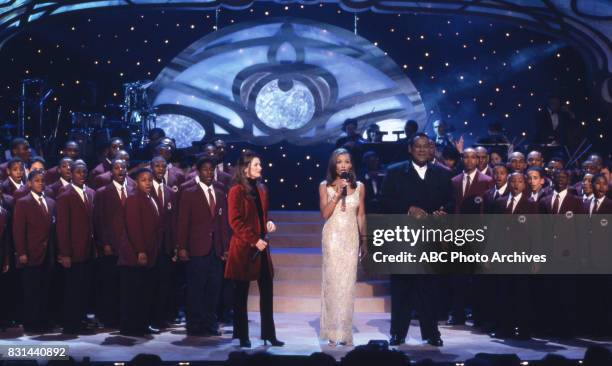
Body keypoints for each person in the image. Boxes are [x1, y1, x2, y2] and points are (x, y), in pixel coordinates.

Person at [381, 133, 451, 347]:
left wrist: (443, 212)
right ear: (410, 149)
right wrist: (407, 209)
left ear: (431, 149)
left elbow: (450, 200)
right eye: (417, 146)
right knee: (402, 287)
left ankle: (431, 333)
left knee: (429, 288)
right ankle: (398, 333)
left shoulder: (442, 174)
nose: (421, 150)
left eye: (425, 146)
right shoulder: (395, 172)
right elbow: (384, 202)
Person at [224, 150, 283, 348]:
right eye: (256, 165)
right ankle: (242, 335)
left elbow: (262, 215)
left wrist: (269, 223)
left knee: (267, 291)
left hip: (262, 249)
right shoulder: (236, 190)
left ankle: (269, 334)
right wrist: (254, 239)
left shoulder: (261, 189)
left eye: (260, 164)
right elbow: (235, 221)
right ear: (245, 167)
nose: (260, 168)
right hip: (244, 248)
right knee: (240, 295)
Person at [319, 148, 366, 346]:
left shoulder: (360, 186)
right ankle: (331, 332)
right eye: (339, 161)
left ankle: (345, 332)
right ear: (334, 165)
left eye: (347, 161)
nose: (343, 165)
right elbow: (325, 213)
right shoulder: (325, 185)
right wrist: (337, 194)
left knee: (347, 284)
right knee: (332, 283)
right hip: (332, 237)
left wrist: (364, 239)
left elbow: (361, 214)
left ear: (351, 165)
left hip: (351, 238)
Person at [177, 156, 229, 336]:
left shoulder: (221, 192)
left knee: (214, 289)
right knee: (196, 289)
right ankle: (194, 325)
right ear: (198, 171)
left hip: (216, 249)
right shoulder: (189, 192)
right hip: (196, 248)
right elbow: (183, 222)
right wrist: (182, 246)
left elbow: (223, 223)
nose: (209, 173)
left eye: (212, 170)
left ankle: (210, 324)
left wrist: (225, 247)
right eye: (205, 169)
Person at [118, 168, 163, 337]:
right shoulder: (133, 199)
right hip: (135, 255)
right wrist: (141, 251)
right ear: (136, 182)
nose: (148, 183)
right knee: (133, 293)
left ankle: (142, 324)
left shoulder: (151, 198)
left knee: (145, 292)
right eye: (144, 180)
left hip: (151, 253)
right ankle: (130, 326)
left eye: (150, 180)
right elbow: (134, 227)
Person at [12, 169, 56, 333]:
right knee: (31, 291)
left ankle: (44, 321)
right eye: (37, 180)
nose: (40, 183)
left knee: (46, 289)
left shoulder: (51, 202)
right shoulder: (23, 202)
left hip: (48, 254)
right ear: (29, 183)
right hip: (30, 253)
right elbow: (18, 230)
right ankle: (31, 323)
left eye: (42, 180)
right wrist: (22, 252)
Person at [56, 161, 96, 335]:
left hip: (87, 250)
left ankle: (79, 320)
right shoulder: (65, 195)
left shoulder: (90, 193)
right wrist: (65, 253)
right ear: (71, 174)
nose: (82, 175)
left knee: (83, 288)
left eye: (84, 172)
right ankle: (70, 324)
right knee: (72, 290)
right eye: (78, 172)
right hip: (72, 251)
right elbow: (62, 227)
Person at [92, 158, 132, 328]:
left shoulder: (133, 189)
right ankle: (109, 318)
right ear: (111, 171)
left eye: (123, 167)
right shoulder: (102, 192)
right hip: (110, 245)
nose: (120, 170)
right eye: (117, 168)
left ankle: (125, 318)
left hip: (129, 246)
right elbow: (99, 220)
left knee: (126, 285)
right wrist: (104, 243)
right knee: (110, 284)